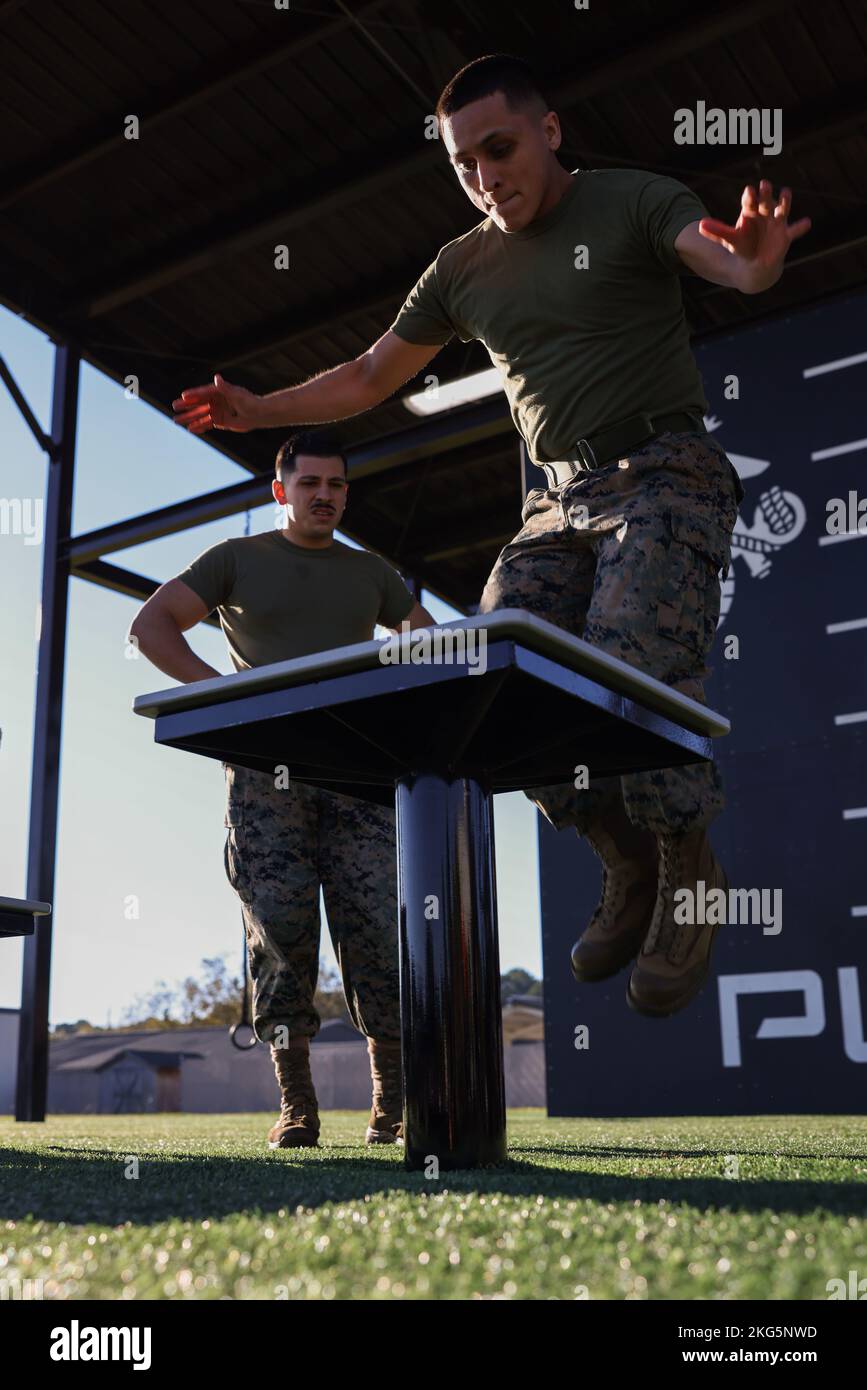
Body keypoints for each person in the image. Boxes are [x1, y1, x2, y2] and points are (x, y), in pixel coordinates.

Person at [171, 54, 810, 1020]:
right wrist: (260, 407)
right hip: (553, 504)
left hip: (662, 477)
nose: (485, 177)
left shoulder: (634, 199)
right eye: (464, 164)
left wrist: (751, 264)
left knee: (628, 670)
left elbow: (717, 255)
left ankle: (687, 866)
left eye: (499, 150)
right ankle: (625, 859)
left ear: (548, 131)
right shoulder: (461, 266)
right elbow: (365, 376)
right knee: (489, 689)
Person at [128, 430, 435, 1148]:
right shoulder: (237, 560)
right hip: (267, 778)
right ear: (281, 492)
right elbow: (151, 626)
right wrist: (229, 697)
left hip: (358, 776)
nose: (323, 495)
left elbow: (430, 642)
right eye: (309, 485)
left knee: (377, 934)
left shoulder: (372, 572)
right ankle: (297, 1106)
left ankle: (391, 1104)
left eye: (335, 485)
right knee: (280, 931)